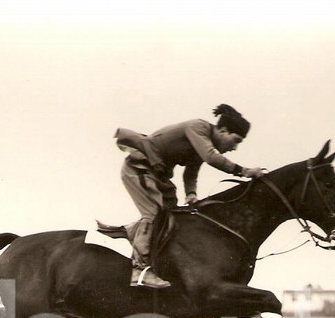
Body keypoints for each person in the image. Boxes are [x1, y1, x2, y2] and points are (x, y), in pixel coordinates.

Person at [111, 104, 266, 288]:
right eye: (236, 140)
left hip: (156, 175)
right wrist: (244, 171)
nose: (234, 148)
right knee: (153, 214)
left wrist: (191, 194)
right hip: (139, 168)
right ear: (223, 130)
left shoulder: (203, 141)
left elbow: (191, 172)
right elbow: (211, 157)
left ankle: (150, 249)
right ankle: (139, 270)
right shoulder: (198, 127)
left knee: (171, 215)